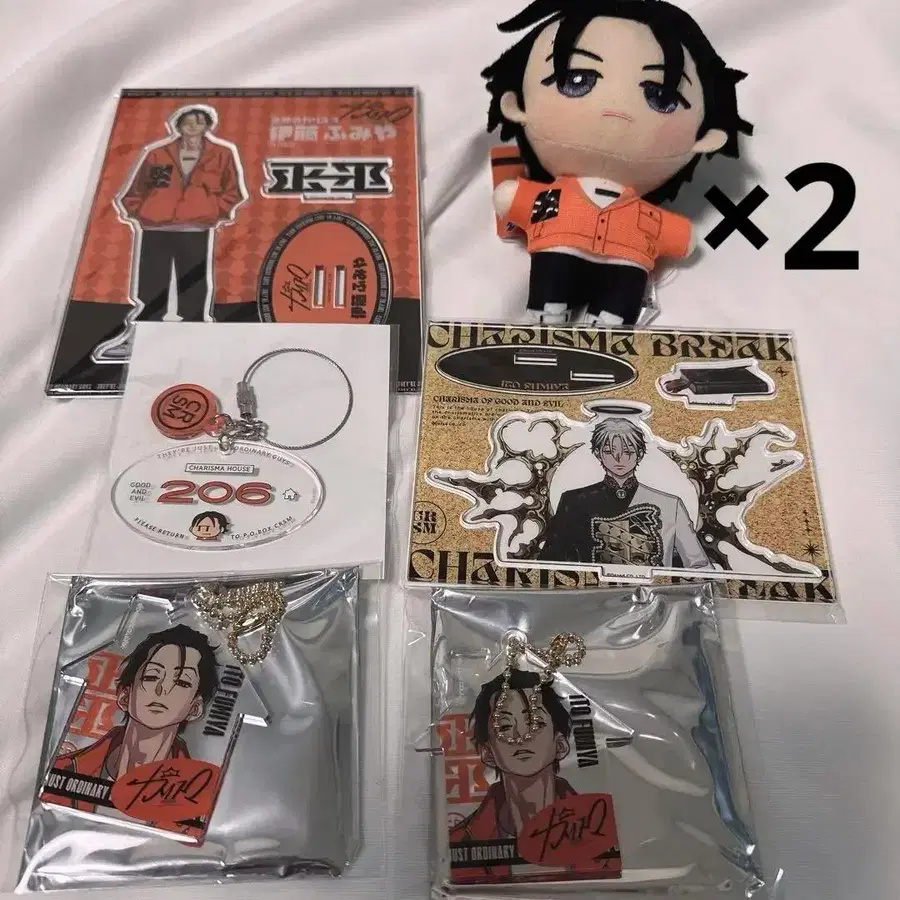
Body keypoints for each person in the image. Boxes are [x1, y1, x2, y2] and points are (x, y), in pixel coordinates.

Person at [482, 0, 752, 325]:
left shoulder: (645, 214)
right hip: (558, 255)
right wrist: (514, 197)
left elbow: (680, 238)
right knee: (552, 285)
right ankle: (548, 314)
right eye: (577, 80)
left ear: (705, 139)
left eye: (660, 97)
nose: (617, 110)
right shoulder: (554, 197)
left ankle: (608, 324)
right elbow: (516, 199)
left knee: (620, 297)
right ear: (516, 106)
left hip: (626, 266)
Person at [92, 105, 247, 362]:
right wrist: (141, 212)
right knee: (152, 284)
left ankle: (194, 338)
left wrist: (212, 210)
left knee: (193, 285)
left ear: (208, 126)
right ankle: (142, 338)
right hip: (155, 228)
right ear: (178, 125)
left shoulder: (222, 154)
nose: (193, 127)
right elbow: (135, 190)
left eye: (199, 122)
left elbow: (233, 192)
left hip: (195, 229)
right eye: (188, 122)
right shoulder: (157, 154)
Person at [42, 624, 219, 815]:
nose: (162, 689)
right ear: (125, 696)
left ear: (195, 708)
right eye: (151, 676)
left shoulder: (200, 799)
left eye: (182, 682)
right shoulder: (66, 769)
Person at [450, 670, 574, 878]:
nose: (520, 736)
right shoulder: (460, 842)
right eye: (505, 726)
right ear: (488, 753)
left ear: (560, 745)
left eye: (536, 723)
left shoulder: (600, 826)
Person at [538, 417, 709, 567]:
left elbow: (699, 565)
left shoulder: (671, 505)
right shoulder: (574, 501)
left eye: (628, 451)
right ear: (597, 453)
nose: (619, 459)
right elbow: (549, 564)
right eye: (609, 451)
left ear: (640, 454)